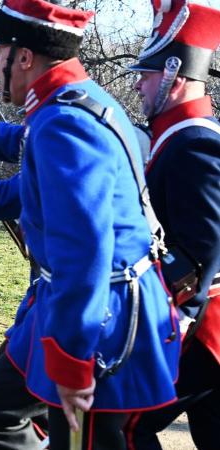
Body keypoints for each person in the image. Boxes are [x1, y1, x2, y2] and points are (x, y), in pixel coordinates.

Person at [0, 0, 181, 448]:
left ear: (25, 57)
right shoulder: (68, 104)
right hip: (81, 299)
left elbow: (83, 254)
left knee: (94, 441)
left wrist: (73, 362)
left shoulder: (63, 122)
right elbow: (22, 137)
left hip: (99, 314)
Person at [125, 1, 220, 448]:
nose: (139, 85)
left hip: (200, 325)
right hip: (201, 324)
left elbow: (202, 253)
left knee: (119, 426)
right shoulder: (180, 137)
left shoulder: (194, 143)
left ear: (173, 79)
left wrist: (142, 299)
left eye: (146, 76)